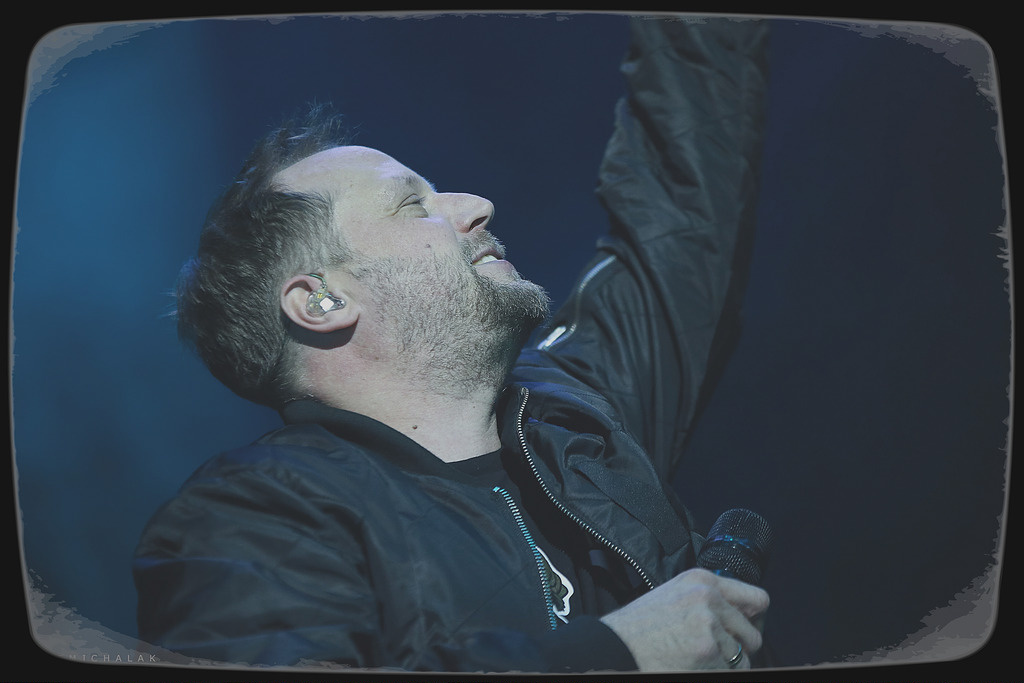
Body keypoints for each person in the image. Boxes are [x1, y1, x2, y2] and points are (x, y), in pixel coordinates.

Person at [134, 16, 772, 673]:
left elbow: (683, 212)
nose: (477, 205)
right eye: (413, 205)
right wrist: (614, 652)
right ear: (322, 302)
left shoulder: (578, 413)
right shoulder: (253, 515)